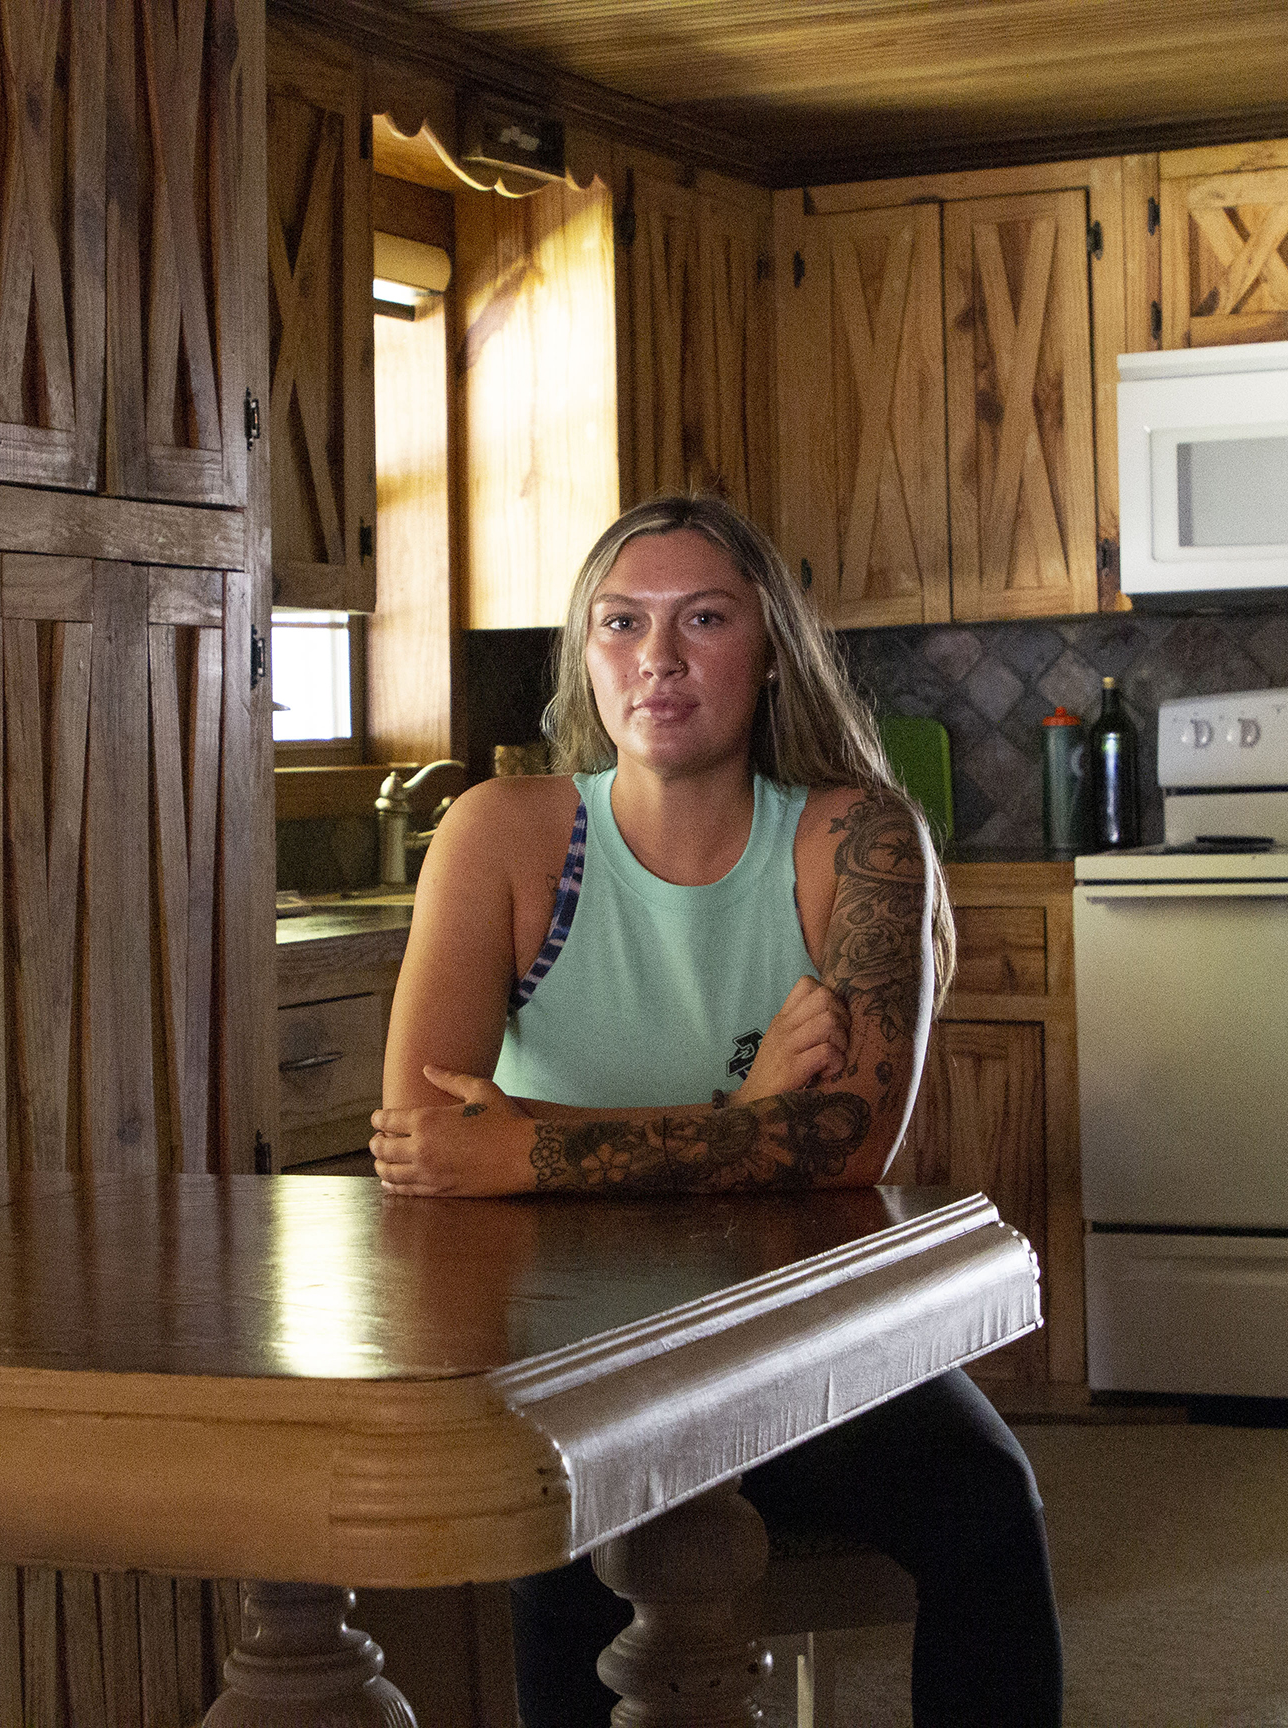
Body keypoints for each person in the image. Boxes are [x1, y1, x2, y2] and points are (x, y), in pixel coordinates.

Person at [368, 494, 1064, 1727]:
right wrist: (742, 1112)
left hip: (797, 1337)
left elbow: (847, 1146)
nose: (659, 659)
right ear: (587, 656)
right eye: (621, 624)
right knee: (565, 1532)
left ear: (772, 648)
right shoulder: (503, 836)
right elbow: (422, 1150)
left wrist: (528, 1141)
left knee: (988, 1505)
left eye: (703, 619)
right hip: (570, 1350)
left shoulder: (857, 840)